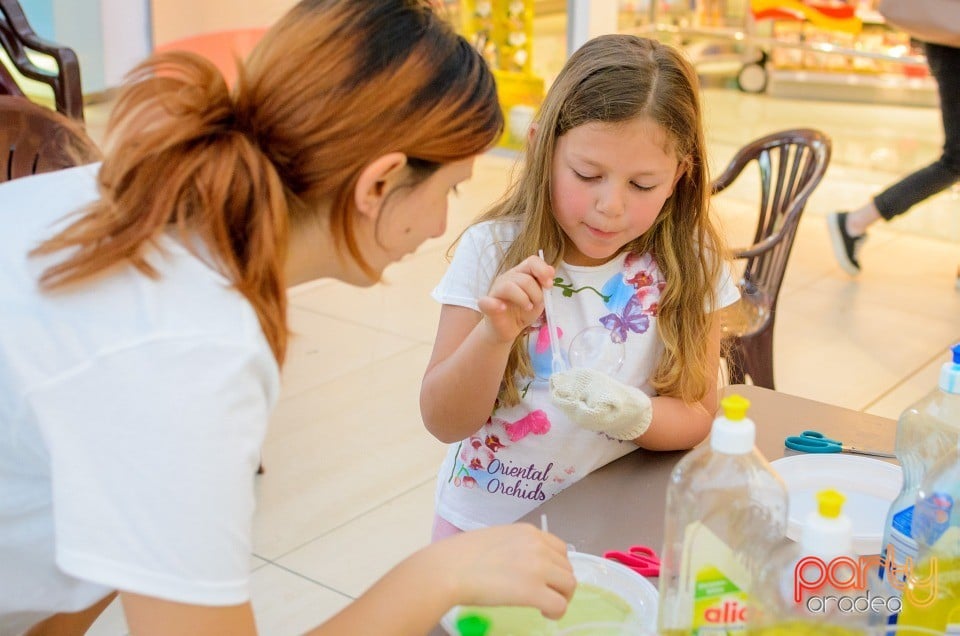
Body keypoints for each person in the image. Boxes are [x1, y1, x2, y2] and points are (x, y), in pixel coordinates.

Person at [0, 1, 577, 634]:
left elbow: (118, 546)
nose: (443, 223)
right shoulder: (191, 349)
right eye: (450, 190)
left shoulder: (138, 202)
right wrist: (441, 574)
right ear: (379, 184)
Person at [420, 34, 740, 539]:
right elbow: (443, 419)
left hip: (614, 529)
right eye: (587, 174)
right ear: (542, 148)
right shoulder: (491, 250)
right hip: (485, 529)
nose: (610, 205)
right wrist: (493, 336)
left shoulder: (691, 263)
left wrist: (635, 415)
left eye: (641, 185)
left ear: (680, 175)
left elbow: (698, 412)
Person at [827, 41, 960, 277]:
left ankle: (856, 221)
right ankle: (855, 221)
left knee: (955, 161)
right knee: (955, 161)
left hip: (949, 46)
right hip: (953, 46)